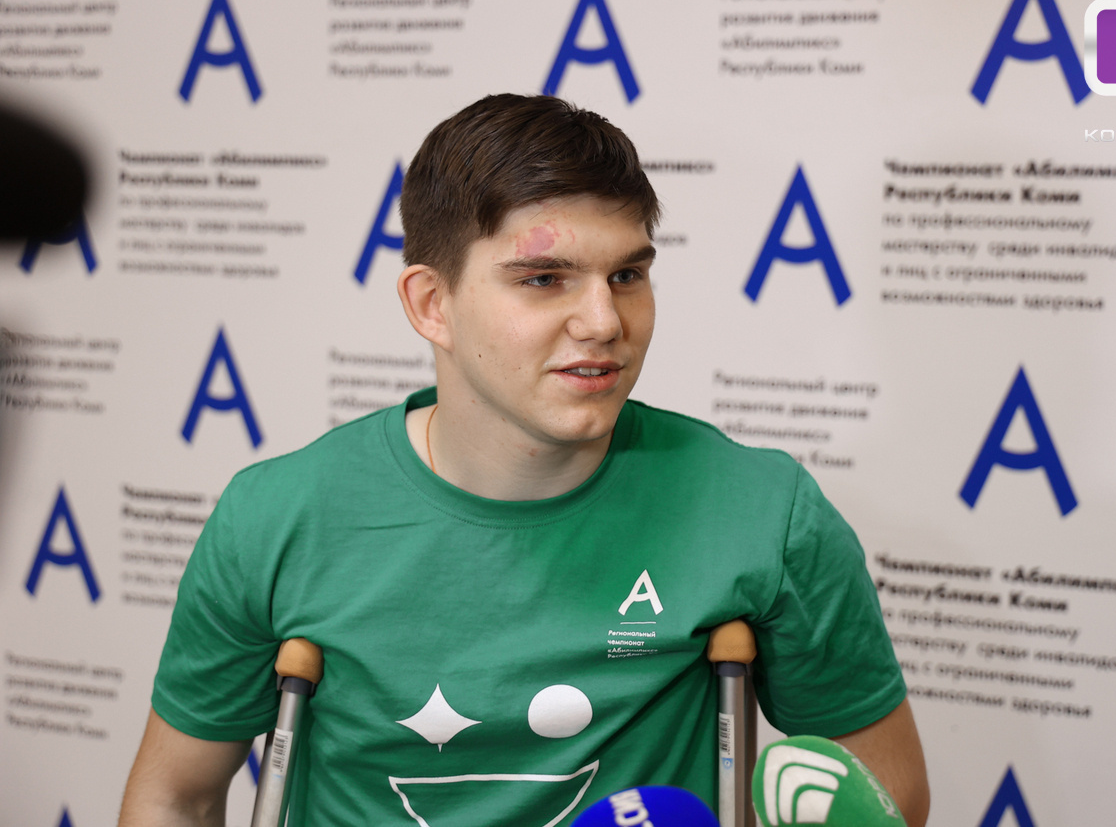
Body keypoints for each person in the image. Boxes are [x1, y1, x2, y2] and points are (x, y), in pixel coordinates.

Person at [118, 94, 929, 827]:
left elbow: (888, 792)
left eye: (628, 274)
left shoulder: (762, 511)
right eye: (544, 279)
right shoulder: (276, 518)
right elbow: (174, 798)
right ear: (432, 304)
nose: (604, 322)